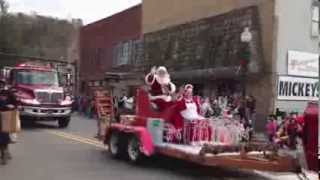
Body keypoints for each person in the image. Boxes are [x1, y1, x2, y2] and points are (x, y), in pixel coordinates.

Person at [0, 83, 16, 165]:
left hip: (6, 117)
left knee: (4, 135)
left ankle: (4, 154)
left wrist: (12, 107)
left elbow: (15, 104)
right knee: (4, 136)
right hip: (5, 116)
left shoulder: (9, 93)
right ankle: (5, 153)